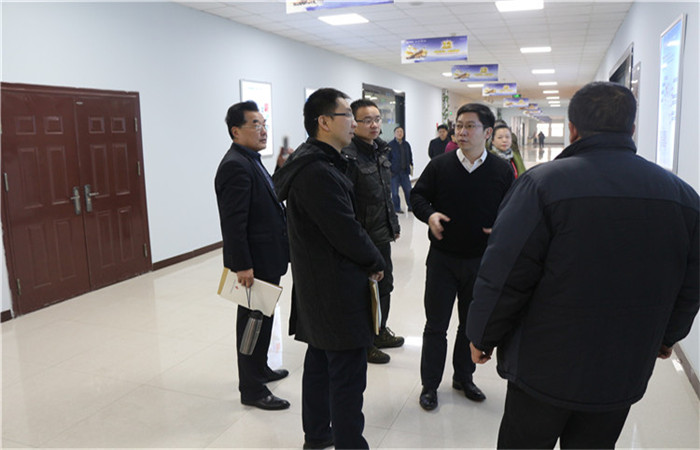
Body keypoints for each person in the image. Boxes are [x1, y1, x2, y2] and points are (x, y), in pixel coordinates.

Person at [467, 81, 699, 449]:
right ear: (632, 129)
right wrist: (668, 335)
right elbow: (691, 282)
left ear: (572, 129)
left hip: (543, 366)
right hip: (623, 367)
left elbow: (507, 272)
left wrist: (483, 334)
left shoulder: (541, 186)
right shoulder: (683, 197)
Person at [273, 88, 385, 450]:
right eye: (347, 115)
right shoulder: (317, 172)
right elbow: (345, 230)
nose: (354, 122)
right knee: (347, 376)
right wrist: (375, 260)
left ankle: (318, 435)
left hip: (319, 284)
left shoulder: (318, 161)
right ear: (324, 122)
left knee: (320, 365)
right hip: (336, 288)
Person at [410, 103, 514, 411]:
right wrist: (429, 215)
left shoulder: (501, 170)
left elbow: (514, 207)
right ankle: (430, 385)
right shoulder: (440, 165)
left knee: (469, 325)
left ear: (487, 132)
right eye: (459, 125)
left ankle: (463, 378)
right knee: (435, 325)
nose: (462, 131)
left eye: (470, 126)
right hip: (442, 260)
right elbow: (418, 196)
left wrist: (502, 226)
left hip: (480, 262)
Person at [214, 101, 291, 411]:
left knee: (264, 319)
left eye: (264, 124)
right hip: (254, 263)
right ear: (236, 131)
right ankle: (251, 389)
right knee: (251, 325)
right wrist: (242, 265)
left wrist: (280, 169)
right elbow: (233, 223)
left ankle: (260, 369)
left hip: (267, 257)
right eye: (255, 125)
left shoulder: (250, 160)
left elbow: (265, 197)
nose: (263, 130)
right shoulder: (235, 165)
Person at [342, 99, 404, 365]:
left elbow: (384, 195)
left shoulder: (380, 150)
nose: (374, 124)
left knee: (385, 286)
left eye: (377, 119)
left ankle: (379, 331)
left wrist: (393, 225)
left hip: (381, 234)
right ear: (353, 123)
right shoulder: (348, 156)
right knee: (365, 291)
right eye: (367, 120)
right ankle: (365, 342)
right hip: (362, 238)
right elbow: (348, 204)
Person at [388, 126, 413, 213]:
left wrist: (411, 166)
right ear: (394, 134)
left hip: (404, 172)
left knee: (408, 191)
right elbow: (387, 159)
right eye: (398, 132)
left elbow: (410, 156)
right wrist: (389, 171)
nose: (399, 133)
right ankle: (397, 208)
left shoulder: (406, 144)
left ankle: (410, 206)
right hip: (394, 173)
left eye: (401, 132)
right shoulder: (390, 145)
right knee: (394, 193)